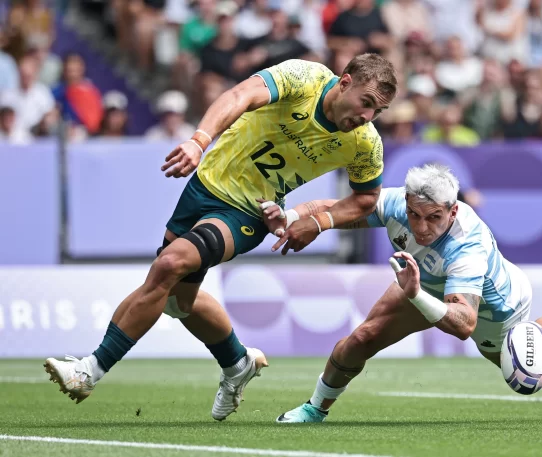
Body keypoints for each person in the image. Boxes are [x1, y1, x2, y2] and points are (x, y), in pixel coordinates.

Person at [43, 54, 398, 422]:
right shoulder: (304, 78)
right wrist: (199, 141)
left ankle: (89, 371)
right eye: (366, 102)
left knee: (169, 264)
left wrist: (320, 221)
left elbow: (366, 198)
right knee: (178, 301)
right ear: (344, 83)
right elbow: (239, 96)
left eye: (379, 111)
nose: (368, 116)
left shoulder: (364, 144)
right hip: (203, 186)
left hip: (249, 212)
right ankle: (237, 361)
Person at [257, 164, 542, 423]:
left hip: (494, 311)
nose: (421, 227)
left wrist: (416, 293)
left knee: (526, 369)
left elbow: (463, 324)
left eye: (433, 217)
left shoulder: (467, 247)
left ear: (452, 212)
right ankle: (314, 410)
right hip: (424, 282)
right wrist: (291, 218)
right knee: (362, 338)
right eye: (415, 215)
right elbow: (337, 208)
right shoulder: (397, 203)